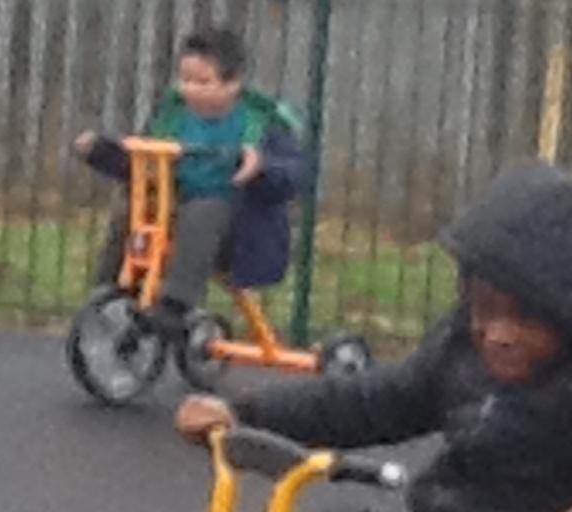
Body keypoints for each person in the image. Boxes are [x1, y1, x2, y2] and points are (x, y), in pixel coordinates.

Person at [176, 160, 572, 512]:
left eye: (527, 318)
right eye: (485, 308)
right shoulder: (460, 352)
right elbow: (374, 400)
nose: (499, 334)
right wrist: (247, 414)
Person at [74, 27, 304, 339]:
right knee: (134, 205)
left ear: (233, 83)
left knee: (205, 210)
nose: (191, 90)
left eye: (203, 82)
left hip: (237, 232)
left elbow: (293, 176)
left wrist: (261, 166)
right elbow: (143, 165)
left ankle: (176, 304)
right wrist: (102, 152)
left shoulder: (263, 121)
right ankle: (115, 289)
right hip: (173, 216)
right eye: (185, 81)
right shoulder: (172, 115)